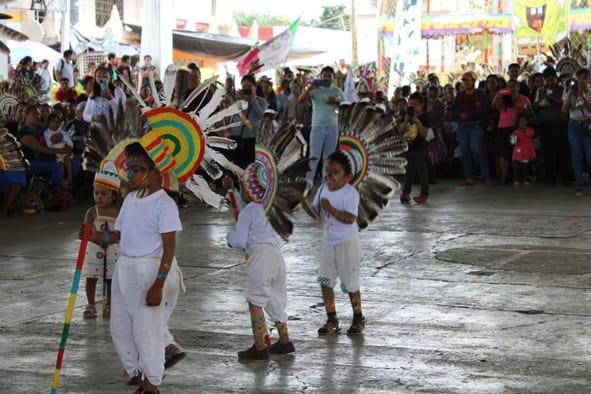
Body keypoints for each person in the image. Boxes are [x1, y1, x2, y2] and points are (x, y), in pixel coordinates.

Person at [99, 141, 183, 393]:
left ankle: (152, 384)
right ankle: (140, 374)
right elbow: (118, 236)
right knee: (121, 328)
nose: (131, 175)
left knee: (147, 332)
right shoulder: (131, 199)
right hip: (124, 268)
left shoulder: (164, 204)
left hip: (149, 271)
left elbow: (169, 248)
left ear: (156, 172)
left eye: (138, 169)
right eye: (129, 169)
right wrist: (95, 237)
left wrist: (158, 283)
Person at [224, 171, 295, 360]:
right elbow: (243, 212)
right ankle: (285, 341)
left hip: (260, 258)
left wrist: (229, 239)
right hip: (277, 257)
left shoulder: (249, 210)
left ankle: (260, 345)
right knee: (276, 299)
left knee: (255, 302)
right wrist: (233, 192)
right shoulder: (271, 207)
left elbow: (239, 239)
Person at [300, 151, 365, 335]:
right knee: (326, 282)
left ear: (348, 176)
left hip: (347, 244)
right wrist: (302, 201)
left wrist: (331, 208)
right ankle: (332, 319)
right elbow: (316, 215)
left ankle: (358, 317)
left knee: (351, 283)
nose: (329, 175)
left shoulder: (350, 193)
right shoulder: (322, 190)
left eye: (335, 171)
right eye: (327, 170)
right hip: (328, 243)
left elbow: (351, 218)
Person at [80, 161, 120, 318]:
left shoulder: (118, 212)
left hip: (113, 250)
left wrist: (100, 236)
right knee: (91, 276)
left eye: (104, 194)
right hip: (94, 249)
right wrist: (95, 236)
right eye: (96, 193)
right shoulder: (92, 211)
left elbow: (120, 235)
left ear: (114, 195)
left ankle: (109, 304)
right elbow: (86, 232)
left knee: (110, 278)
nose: (99, 197)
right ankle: (91, 304)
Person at [299, 66, 346, 185]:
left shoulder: (337, 91)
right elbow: (301, 100)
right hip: (317, 127)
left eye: (329, 75)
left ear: (333, 78)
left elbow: (346, 107)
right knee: (314, 155)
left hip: (332, 127)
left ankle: (326, 182)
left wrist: (336, 102)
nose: (327, 78)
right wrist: (310, 87)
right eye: (324, 75)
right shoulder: (314, 89)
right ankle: (308, 182)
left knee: (329, 156)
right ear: (320, 77)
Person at [451, 71, 492, 185]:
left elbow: (484, 110)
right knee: (465, 151)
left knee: (479, 151)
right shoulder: (460, 95)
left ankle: (486, 176)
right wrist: (459, 115)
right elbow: (453, 109)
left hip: (476, 125)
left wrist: (469, 114)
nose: (465, 83)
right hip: (463, 126)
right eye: (464, 81)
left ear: (473, 81)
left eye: (467, 80)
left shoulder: (480, 94)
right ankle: (469, 177)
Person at [19, 105, 71, 189]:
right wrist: (62, 151)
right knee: (58, 167)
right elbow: (41, 149)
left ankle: (64, 186)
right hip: (30, 162)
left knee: (69, 161)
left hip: (46, 158)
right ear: (26, 115)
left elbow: (52, 138)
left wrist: (66, 145)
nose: (37, 116)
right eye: (34, 114)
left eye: (38, 114)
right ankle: (52, 191)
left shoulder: (39, 127)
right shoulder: (24, 131)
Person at [491, 79, 532, 185]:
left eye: (513, 86)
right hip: (503, 128)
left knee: (517, 152)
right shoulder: (503, 98)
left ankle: (518, 177)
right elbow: (494, 107)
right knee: (503, 154)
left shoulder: (523, 98)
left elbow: (530, 111)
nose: (511, 88)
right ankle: (504, 178)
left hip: (515, 129)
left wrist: (522, 107)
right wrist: (497, 97)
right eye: (509, 86)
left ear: (518, 87)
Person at [536, 66, 571, 186]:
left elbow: (563, 104)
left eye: (552, 80)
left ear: (556, 78)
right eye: (547, 80)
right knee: (547, 152)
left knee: (562, 151)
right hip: (545, 125)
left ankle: (565, 177)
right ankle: (550, 177)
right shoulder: (540, 90)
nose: (550, 82)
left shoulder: (563, 88)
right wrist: (541, 99)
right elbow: (535, 106)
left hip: (560, 124)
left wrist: (550, 97)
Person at [562, 68, 591, 196]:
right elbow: (564, 110)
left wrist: (582, 96)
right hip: (574, 125)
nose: (582, 80)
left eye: (584, 78)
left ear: (588, 79)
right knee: (576, 155)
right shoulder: (569, 92)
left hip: (588, 124)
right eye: (579, 78)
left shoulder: (589, 92)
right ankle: (579, 183)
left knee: (590, 155)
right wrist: (570, 96)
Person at [230, 74, 268, 168]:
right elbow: (231, 117)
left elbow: (261, 116)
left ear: (255, 87)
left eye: (249, 86)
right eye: (244, 87)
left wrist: (253, 100)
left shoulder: (262, 102)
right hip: (236, 139)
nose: (247, 89)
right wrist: (237, 101)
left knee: (250, 169)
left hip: (252, 141)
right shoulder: (239, 101)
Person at [400, 92, 429, 204]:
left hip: (420, 147)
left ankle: (424, 193)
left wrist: (417, 121)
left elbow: (424, 134)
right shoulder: (406, 116)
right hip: (408, 147)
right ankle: (405, 192)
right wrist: (407, 120)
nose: (412, 106)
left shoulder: (424, 117)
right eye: (410, 104)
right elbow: (400, 131)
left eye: (415, 104)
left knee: (422, 171)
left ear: (421, 105)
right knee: (409, 172)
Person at [44, 113, 74, 186]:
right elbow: (49, 144)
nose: (56, 124)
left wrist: (62, 138)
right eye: (53, 122)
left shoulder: (62, 132)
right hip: (54, 153)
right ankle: (62, 183)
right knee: (59, 165)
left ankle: (69, 178)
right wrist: (56, 140)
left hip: (65, 151)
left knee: (67, 159)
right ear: (48, 123)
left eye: (58, 122)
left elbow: (70, 143)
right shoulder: (46, 133)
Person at [511, 114, 536, 188]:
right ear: (518, 123)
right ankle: (516, 180)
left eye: (524, 121)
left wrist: (525, 129)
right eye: (520, 121)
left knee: (525, 167)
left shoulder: (530, 130)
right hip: (517, 153)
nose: (522, 123)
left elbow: (531, 134)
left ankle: (525, 180)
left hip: (526, 152)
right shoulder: (515, 132)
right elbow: (513, 142)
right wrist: (512, 138)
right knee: (516, 167)